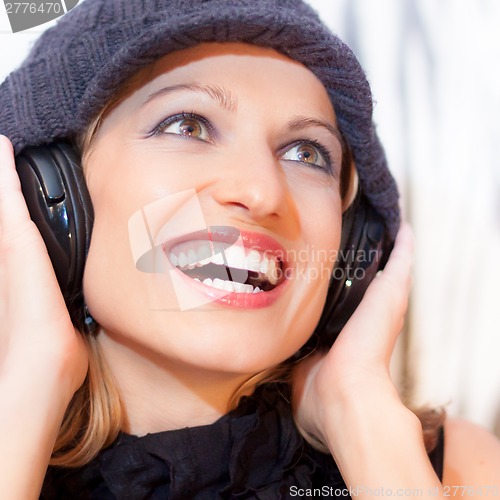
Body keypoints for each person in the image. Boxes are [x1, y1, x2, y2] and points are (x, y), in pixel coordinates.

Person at [0, 0, 499, 498]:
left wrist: (362, 417)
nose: (263, 193)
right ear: (46, 197)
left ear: (353, 243)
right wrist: (30, 385)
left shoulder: (460, 472)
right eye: (187, 126)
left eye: (306, 153)